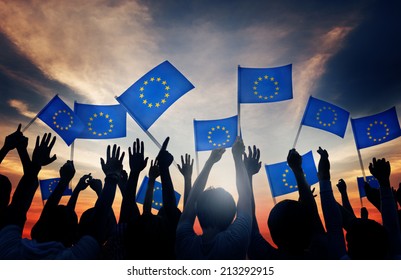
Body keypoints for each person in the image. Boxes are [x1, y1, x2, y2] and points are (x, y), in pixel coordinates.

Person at [175, 136, 252, 259]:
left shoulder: (185, 243)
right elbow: (245, 195)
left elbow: (192, 200)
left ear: (198, 211)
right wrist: (237, 157)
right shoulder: (237, 240)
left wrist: (209, 162)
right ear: (232, 214)